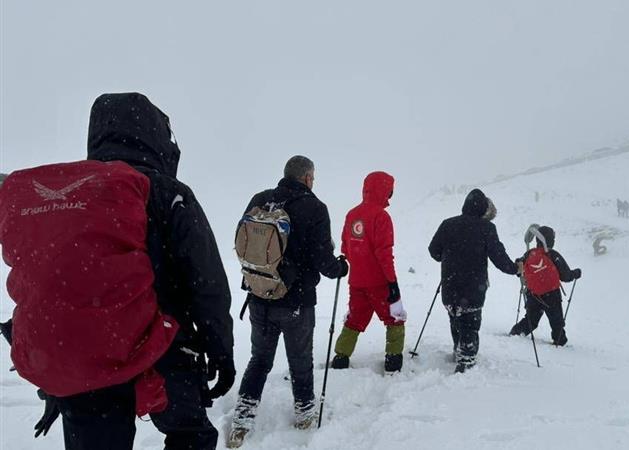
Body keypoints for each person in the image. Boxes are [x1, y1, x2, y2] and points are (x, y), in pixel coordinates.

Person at [0, 92, 236, 450]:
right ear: (157, 137)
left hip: (81, 356)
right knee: (190, 435)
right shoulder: (167, 191)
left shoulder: (77, 193)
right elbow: (207, 284)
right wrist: (221, 350)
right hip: (164, 350)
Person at [228, 156, 349, 447]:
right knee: (300, 361)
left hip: (259, 295)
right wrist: (340, 267)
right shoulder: (315, 208)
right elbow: (323, 260)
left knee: (259, 359)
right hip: (296, 301)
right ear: (307, 178)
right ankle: (305, 414)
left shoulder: (261, 199)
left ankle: (242, 421)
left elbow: (242, 242)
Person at [428, 189, 519, 373]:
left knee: (454, 316)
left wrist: (448, 257)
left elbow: (433, 250)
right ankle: (466, 359)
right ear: (484, 208)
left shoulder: (448, 224)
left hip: (450, 283)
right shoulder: (487, 228)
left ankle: (458, 349)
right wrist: (515, 268)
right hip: (473, 287)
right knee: (470, 321)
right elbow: (499, 258)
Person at [330, 171, 407, 373]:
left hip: (357, 282)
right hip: (380, 282)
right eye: (390, 190)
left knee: (355, 319)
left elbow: (346, 248)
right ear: (385, 190)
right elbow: (384, 253)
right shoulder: (381, 216)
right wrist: (392, 282)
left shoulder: (352, 214)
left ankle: (341, 357)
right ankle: (393, 361)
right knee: (395, 317)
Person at [509, 226, 581, 346]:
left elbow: (518, 268)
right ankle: (559, 340)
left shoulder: (528, 254)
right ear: (551, 240)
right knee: (556, 320)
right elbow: (566, 276)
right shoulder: (553, 255)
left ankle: (516, 333)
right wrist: (576, 273)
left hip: (533, 294)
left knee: (531, 319)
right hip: (552, 294)